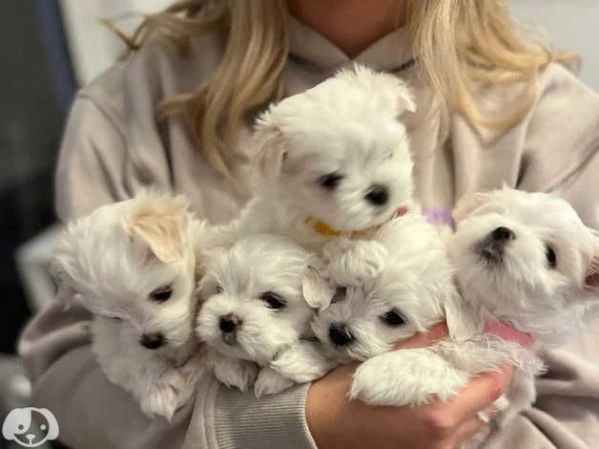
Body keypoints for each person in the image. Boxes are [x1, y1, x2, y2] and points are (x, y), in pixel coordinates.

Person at [18, 1, 599, 448]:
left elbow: (576, 416)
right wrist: (280, 426)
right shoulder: (130, 105)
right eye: (326, 180)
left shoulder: (560, 124)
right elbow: (60, 389)